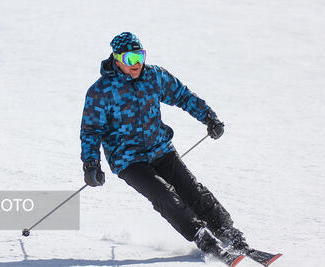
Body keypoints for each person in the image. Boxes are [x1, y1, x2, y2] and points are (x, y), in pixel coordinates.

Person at [80, 32, 249, 263]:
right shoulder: (101, 92)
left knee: (192, 190)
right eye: (130, 58)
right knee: (165, 196)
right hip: (129, 161)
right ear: (117, 58)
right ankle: (203, 238)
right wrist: (91, 165)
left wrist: (209, 117)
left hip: (160, 149)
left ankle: (228, 232)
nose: (137, 63)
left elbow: (183, 96)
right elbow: (91, 131)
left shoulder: (154, 76)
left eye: (140, 56)